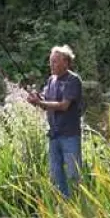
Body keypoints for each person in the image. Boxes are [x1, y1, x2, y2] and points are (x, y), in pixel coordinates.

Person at [27, 45, 83, 198]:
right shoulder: (51, 80)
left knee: (73, 175)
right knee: (56, 175)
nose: (51, 65)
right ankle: (63, 207)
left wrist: (41, 103)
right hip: (54, 136)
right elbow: (46, 103)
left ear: (66, 62)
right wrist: (36, 100)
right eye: (51, 62)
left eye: (55, 62)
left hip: (70, 135)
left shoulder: (73, 80)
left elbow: (64, 105)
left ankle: (78, 207)